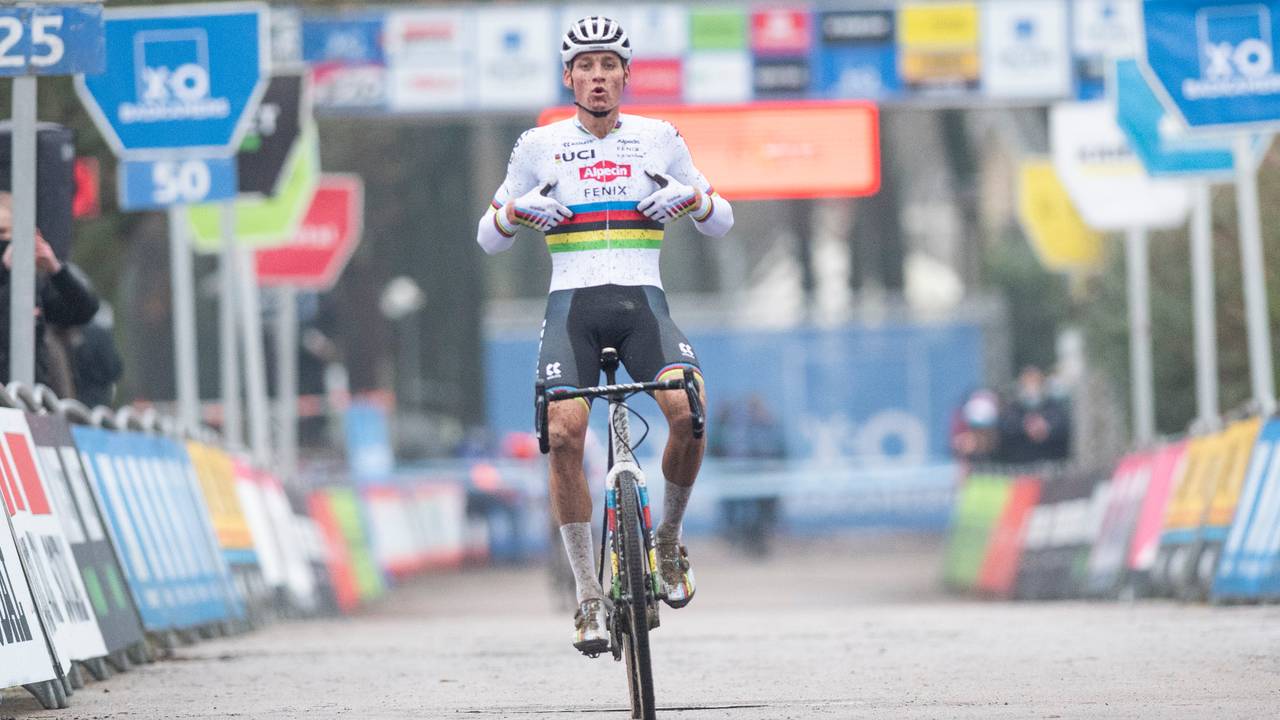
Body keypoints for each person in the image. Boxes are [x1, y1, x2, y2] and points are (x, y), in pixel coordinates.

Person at [475, 16, 733, 655]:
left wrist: (692, 201)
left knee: (689, 411)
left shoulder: (659, 137)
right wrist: (514, 212)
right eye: (585, 67)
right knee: (562, 433)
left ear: (625, 75)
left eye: (608, 66)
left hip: (644, 302)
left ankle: (667, 542)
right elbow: (486, 235)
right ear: (569, 77)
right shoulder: (537, 145)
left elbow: (721, 222)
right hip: (572, 308)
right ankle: (589, 595)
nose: (597, 77)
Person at [0, 193, 99, 390]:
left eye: (5, 233)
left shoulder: (34, 285)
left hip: (30, 399)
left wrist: (55, 269)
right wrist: (3, 268)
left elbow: (84, 309)